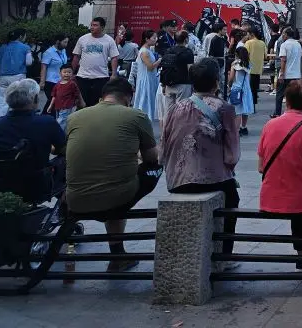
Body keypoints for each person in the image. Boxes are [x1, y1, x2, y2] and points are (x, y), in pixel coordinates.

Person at [65, 77, 160, 273]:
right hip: (117, 196)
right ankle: (117, 253)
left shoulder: (74, 117)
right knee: (154, 169)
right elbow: (152, 157)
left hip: (75, 199)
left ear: (102, 97)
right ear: (127, 98)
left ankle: (117, 254)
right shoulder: (136, 116)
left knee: (111, 174)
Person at [162, 61, 241, 267]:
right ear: (216, 82)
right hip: (213, 179)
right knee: (232, 198)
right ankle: (224, 256)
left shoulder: (175, 108)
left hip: (177, 179)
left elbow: (164, 144)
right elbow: (232, 155)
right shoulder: (225, 108)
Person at [257, 80, 302, 271]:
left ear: (286, 100)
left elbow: (261, 167)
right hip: (299, 196)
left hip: (270, 196)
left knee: (299, 196)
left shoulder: (269, 125)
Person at [0, 79, 66, 203]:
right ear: (35, 99)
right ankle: (65, 205)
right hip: (33, 188)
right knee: (67, 158)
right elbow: (63, 148)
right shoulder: (46, 122)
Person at [71, 17, 120, 108]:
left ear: (102, 27)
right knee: (82, 103)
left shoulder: (109, 40)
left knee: (97, 103)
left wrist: (114, 74)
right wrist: (72, 72)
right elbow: (76, 56)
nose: (92, 27)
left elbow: (114, 57)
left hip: (101, 77)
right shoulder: (83, 39)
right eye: (91, 25)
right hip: (83, 76)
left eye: (95, 25)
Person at [0, 28, 34, 118]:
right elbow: (29, 62)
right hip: (18, 77)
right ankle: (15, 120)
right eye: (25, 36)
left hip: (3, 77)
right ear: (21, 36)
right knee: (18, 101)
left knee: (1, 101)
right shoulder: (25, 47)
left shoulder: (3, 47)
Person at [160, 30, 196, 109]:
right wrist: (194, 85)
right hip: (184, 84)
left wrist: (163, 84)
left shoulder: (169, 50)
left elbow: (164, 67)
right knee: (182, 110)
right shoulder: (188, 52)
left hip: (169, 84)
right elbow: (190, 70)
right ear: (186, 39)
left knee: (169, 110)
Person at [130, 30, 160, 121]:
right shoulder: (144, 52)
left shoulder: (148, 50)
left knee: (148, 98)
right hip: (146, 79)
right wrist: (159, 61)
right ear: (147, 39)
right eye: (154, 38)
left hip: (149, 77)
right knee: (145, 98)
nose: (155, 39)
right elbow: (150, 67)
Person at [275, 27, 302, 117]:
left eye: (283, 33)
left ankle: (277, 113)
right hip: (296, 75)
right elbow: (301, 59)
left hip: (287, 74)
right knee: (294, 95)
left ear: (287, 35)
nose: (282, 35)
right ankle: (294, 113)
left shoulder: (284, 45)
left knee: (280, 94)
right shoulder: (298, 44)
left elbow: (283, 60)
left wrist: (281, 74)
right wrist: (300, 74)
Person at [47, 64, 85, 131]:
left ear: (72, 73)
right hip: (58, 107)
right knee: (61, 120)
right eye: (64, 72)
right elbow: (54, 96)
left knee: (61, 121)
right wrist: (50, 106)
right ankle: (63, 132)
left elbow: (78, 94)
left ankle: (59, 133)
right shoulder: (57, 84)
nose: (67, 74)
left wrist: (81, 102)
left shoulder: (72, 84)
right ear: (60, 73)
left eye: (69, 72)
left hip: (67, 106)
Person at [39, 34, 69, 115]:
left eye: (67, 42)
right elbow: (43, 67)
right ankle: (45, 117)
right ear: (58, 42)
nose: (66, 44)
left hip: (60, 81)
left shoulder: (63, 51)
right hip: (50, 81)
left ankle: (46, 117)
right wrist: (42, 81)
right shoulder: (48, 52)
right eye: (64, 42)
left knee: (54, 102)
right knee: (52, 101)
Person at [229, 45, 256, 134]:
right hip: (246, 89)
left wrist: (229, 85)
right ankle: (243, 127)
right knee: (245, 110)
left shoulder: (235, 64)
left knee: (237, 110)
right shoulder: (248, 64)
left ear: (237, 54)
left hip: (237, 88)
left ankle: (236, 130)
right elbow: (249, 78)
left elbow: (231, 78)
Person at [244, 26, 267, 109]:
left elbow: (244, 54)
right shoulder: (262, 43)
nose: (247, 36)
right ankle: (253, 104)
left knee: (249, 88)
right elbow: (265, 55)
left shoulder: (248, 43)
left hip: (249, 68)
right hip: (258, 68)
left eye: (248, 34)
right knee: (254, 88)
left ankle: (250, 106)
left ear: (252, 34)